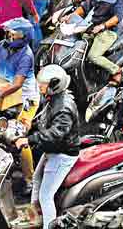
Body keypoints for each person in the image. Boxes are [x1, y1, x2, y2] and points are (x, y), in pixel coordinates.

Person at [19, 66, 81, 229]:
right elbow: (43, 118)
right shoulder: (52, 98)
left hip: (62, 154)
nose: (39, 87)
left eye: (43, 84)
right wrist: (28, 126)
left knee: (46, 195)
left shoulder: (64, 108)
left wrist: (29, 139)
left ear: (54, 85)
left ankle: (49, 225)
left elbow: (56, 133)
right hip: (52, 149)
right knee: (36, 181)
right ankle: (34, 216)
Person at [66, 0, 123, 82]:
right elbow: (84, 8)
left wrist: (102, 26)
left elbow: (117, 18)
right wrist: (71, 16)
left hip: (108, 31)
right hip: (92, 27)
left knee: (93, 56)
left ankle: (116, 70)